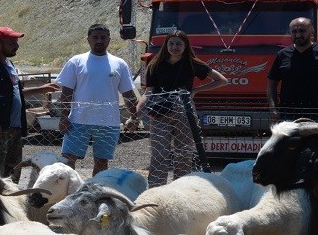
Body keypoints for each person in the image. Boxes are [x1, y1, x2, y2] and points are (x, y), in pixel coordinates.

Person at [137, 30, 227, 186]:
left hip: (184, 112)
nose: (174, 47)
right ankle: (155, 192)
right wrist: (136, 113)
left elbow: (222, 80)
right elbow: (148, 92)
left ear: (186, 46)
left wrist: (196, 91)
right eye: (171, 43)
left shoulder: (193, 63)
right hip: (159, 113)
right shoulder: (155, 64)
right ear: (166, 45)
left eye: (179, 44)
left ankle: (180, 190)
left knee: (184, 154)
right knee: (160, 154)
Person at [0, 26, 59, 181]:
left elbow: (14, 94)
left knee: (13, 172)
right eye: (12, 42)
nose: (17, 46)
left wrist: (41, 89)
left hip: (14, 128)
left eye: (16, 42)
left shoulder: (10, 65)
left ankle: (9, 203)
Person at [56, 23, 139, 177]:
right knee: (67, 161)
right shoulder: (76, 61)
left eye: (103, 37)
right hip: (78, 121)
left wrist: (134, 117)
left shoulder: (119, 64)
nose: (99, 41)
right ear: (88, 39)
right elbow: (66, 92)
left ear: (109, 39)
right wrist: (63, 117)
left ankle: (95, 194)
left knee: (101, 163)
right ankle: (67, 195)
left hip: (108, 123)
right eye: (95, 38)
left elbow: (129, 94)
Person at [266, 17, 318, 123]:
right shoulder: (282, 55)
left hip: (317, 113)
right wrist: (273, 109)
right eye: (294, 31)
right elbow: (272, 84)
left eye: (302, 31)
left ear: (312, 31)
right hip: (288, 114)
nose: (298, 35)